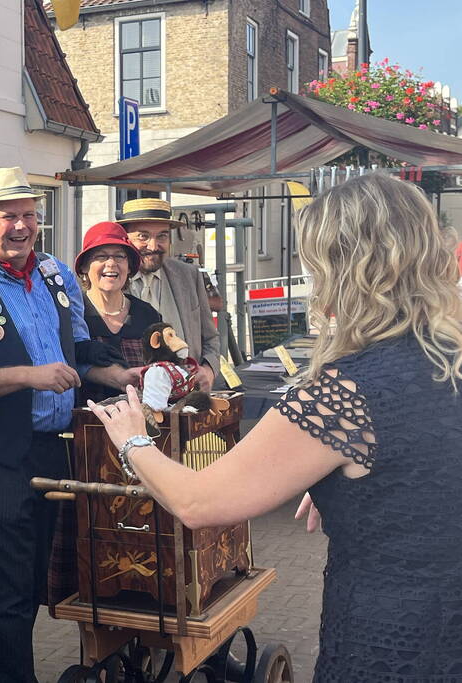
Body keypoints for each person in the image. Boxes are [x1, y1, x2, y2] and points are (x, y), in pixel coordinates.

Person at [88, 173, 462, 683]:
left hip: (394, 639)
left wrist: (131, 438)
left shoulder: (342, 394)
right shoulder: (448, 357)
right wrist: (350, 490)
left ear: (342, 269)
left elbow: (198, 503)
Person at [0, 166, 138, 682]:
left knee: (31, 587)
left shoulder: (55, 274)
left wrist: (120, 373)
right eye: (9, 217)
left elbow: (78, 350)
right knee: (6, 595)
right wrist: (29, 375)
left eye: (29, 216)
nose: (21, 227)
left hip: (53, 447)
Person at [122, 198, 220, 390]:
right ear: (126, 239)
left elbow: (211, 337)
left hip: (185, 397)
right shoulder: (112, 280)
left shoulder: (189, 275)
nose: (153, 245)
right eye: (143, 236)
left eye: (162, 236)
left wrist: (208, 369)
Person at [74, 221, 161, 402]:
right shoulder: (72, 313)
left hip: (142, 420)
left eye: (120, 256)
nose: (111, 263)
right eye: (101, 256)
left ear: (129, 267)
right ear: (84, 267)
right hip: (85, 422)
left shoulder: (148, 315)